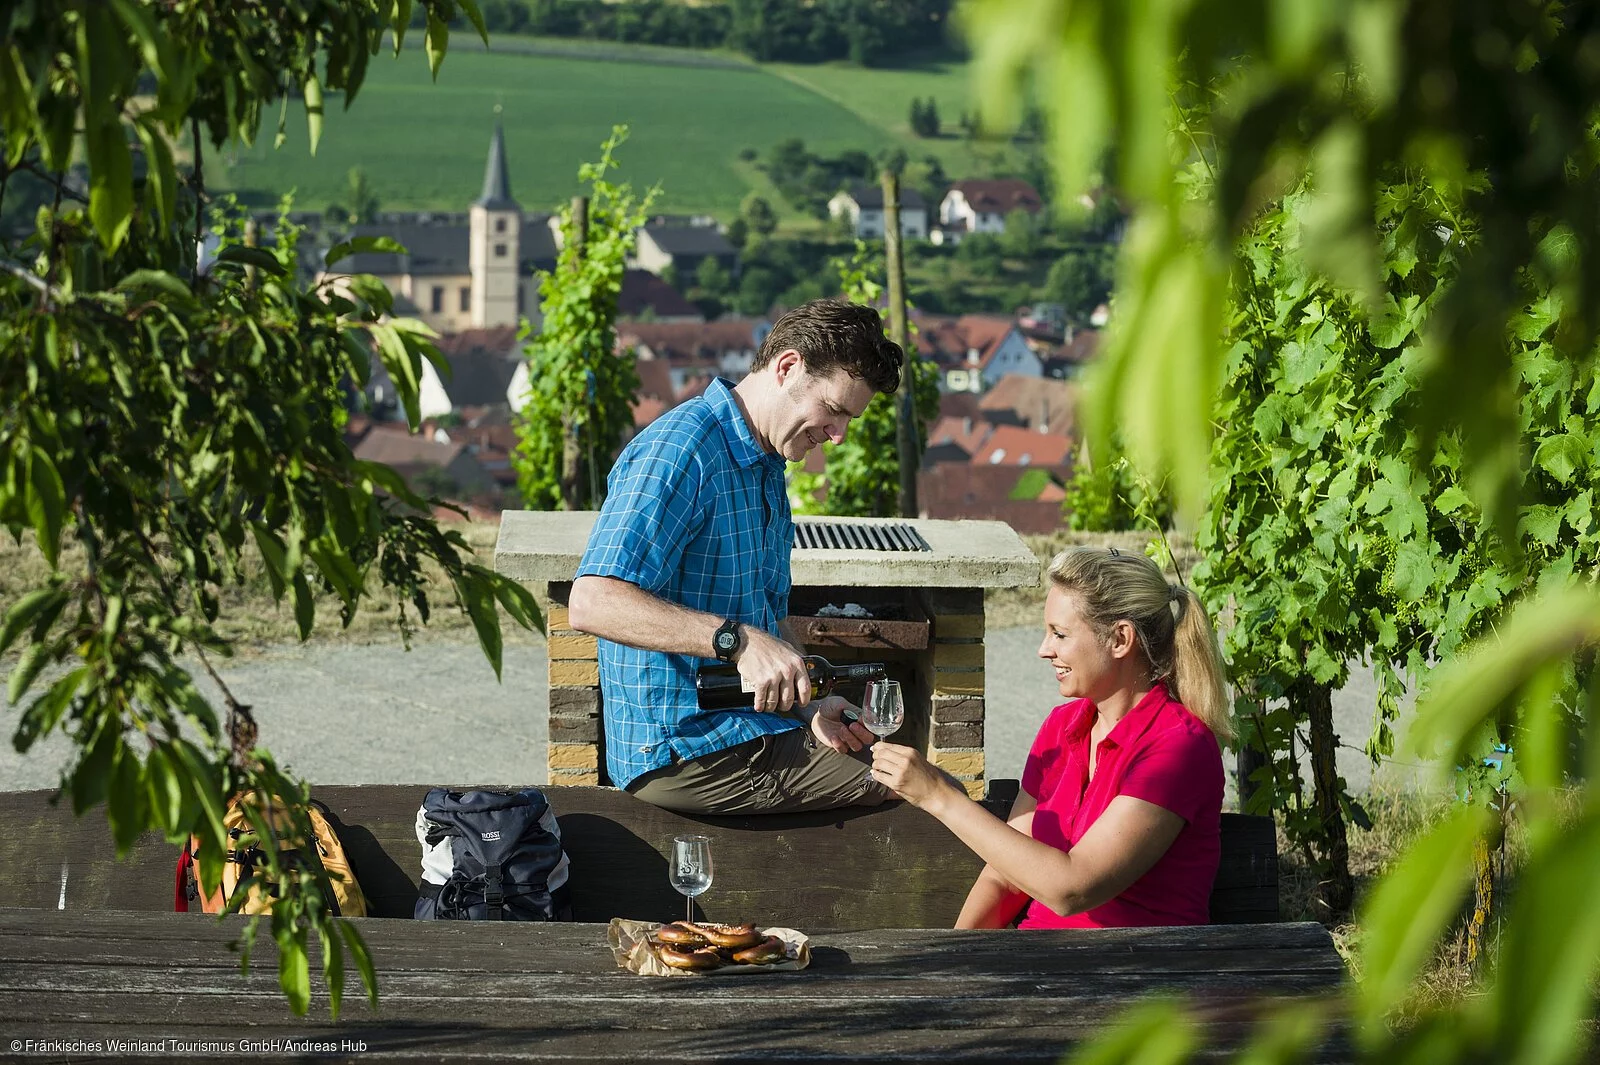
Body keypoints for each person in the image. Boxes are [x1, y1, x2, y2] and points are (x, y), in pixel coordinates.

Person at [567, 299, 905, 815]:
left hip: (744, 730)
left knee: (906, 767)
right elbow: (592, 601)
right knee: (920, 789)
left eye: (849, 420)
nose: (839, 435)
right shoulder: (682, 450)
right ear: (787, 367)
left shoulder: (765, 462)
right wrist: (736, 641)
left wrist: (810, 704)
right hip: (684, 749)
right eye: (834, 411)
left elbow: (765, 619)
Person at [872, 546, 1231, 928]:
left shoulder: (1177, 746)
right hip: (1045, 966)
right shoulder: (1062, 727)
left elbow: (1072, 889)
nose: (1044, 650)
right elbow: (1004, 877)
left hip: (1138, 977)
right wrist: (957, 958)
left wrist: (938, 796)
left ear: (1120, 639)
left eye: (1059, 634)